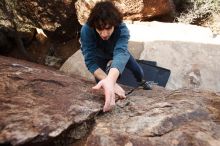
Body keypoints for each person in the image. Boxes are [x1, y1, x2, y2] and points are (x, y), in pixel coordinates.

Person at [80, 1, 151, 112]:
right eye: (99, 29)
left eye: (108, 28)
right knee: (99, 81)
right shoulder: (87, 29)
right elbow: (90, 61)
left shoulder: (122, 29)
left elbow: (120, 54)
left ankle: (141, 81)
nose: (104, 34)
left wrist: (111, 80)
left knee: (138, 70)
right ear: (94, 25)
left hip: (117, 51)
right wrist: (110, 83)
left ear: (115, 24)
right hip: (99, 55)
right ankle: (107, 97)